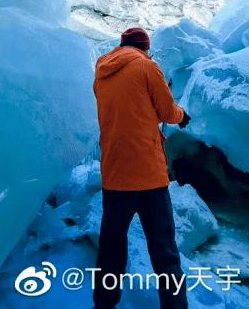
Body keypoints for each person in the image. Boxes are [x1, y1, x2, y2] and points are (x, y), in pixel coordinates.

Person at [92, 26, 191, 309]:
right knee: (164, 251)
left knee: (111, 248)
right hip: (149, 178)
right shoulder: (147, 67)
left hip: (115, 176)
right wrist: (182, 117)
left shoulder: (101, 73)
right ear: (145, 48)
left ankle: (104, 303)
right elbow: (167, 111)